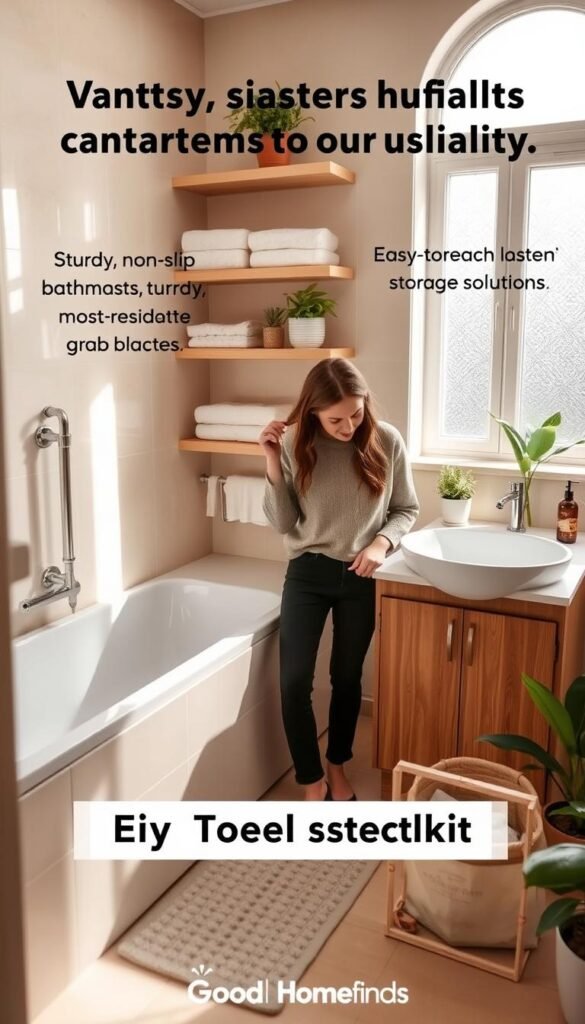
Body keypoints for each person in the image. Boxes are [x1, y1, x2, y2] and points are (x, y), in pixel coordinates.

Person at [260, 358, 419, 801]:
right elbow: (283, 520)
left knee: (348, 678)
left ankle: (338, 764)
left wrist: (380, 545)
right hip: (307, 573)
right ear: (312, 411)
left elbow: (406, 509)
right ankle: (311, 779)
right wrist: (272, 461)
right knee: (294, 681)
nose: (349, 425)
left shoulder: (387, 441)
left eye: (356, 412)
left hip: (361, 574)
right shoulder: (293, 444)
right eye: (335, 418)